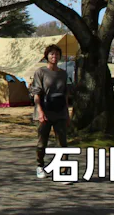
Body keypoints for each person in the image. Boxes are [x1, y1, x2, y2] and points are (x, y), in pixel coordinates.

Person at [30, 44, 69, 179]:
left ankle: (63, 171)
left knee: (62, 143)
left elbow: (65, 94)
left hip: (60, 111)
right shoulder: (41, 72)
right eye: (52, 54)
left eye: (57, 54)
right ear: (47, 56)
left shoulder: (63, 73)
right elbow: (36, 93)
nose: (54, 56)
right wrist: (40, 111)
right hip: (45, 111)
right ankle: (40, 166)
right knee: (42, 142)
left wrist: (67, 113)